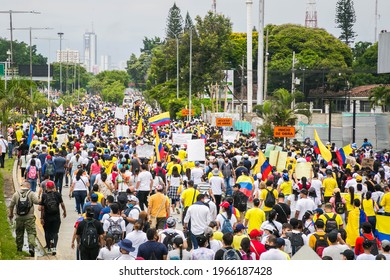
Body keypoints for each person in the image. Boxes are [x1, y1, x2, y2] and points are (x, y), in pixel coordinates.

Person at [8, 181, 39, 257]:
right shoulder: (31, 193)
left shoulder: (16, 194)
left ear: (22, 186)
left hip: (19, 218)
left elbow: (11, 205)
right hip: (29, 217)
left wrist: (11, 214)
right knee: (31, 232)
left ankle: (19, 249)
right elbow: (37, 202)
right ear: (28, 186)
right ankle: (31, 247)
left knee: (19, 233)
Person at [39, 181, 66, 255]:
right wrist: (64, 211)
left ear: (47, 187)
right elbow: (62, 204)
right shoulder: (57, 194)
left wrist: (41, 218)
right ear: (54, 187)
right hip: (56, 217)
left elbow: (42, 208)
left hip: (47, 217)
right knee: (55, 232)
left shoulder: (44, 195)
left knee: (47, 232)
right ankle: (54, 247)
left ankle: (48, 248)